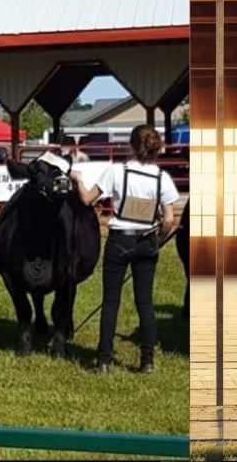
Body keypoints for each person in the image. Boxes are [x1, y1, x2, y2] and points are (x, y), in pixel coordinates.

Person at [73, 125, 180, 374]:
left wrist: (77, 179)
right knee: (145, 303)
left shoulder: (116, 172)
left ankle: (103, 360)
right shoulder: (162, 178)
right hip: (146, 241)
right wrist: (159, 237)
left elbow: (88, 199)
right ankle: (147, 361)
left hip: (120, 239)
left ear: (131, 146)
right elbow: (169, 219)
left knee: (111, 302)